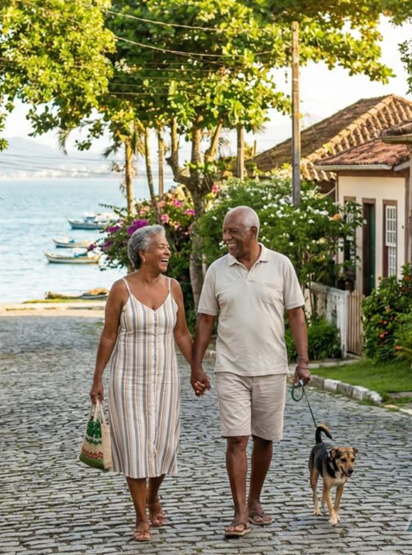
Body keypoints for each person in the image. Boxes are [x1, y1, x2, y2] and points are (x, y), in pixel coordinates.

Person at [190, 206, 310, 537]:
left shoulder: (281, 265)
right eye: (225, 231)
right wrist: (196, 366)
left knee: (265, 438)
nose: (226, 238)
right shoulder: (217, 270)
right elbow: (205, 320)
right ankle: (239, 511)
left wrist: (303, 361)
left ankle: (255, 500)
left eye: (233, 231)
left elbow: (296, 314)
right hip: (231, 368)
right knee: (237, 438)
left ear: (253, 232)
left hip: (271, 367)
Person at [90, 225, 195, 542]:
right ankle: (140, 517)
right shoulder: (121, 289)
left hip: (166, 380)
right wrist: (97, 378)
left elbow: (181, 333)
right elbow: (109, 335)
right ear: (142, 252)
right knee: (136, 449)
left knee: (163, 446)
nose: (168, 251)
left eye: (167, 247)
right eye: (161, 247)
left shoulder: (174, 287)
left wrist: (197, 368)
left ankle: (153, 496)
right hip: (127, 381)